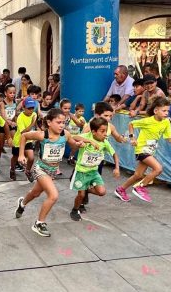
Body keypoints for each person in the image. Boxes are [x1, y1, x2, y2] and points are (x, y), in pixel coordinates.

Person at [14, 109, 88, 237]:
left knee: (35, 193)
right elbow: (24, 136)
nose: (61, 125)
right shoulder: (43, 135)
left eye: (63, 123)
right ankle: (39, 223)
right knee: (53, 195)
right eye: (58, 122)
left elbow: (74, 145)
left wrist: (79, 145)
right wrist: (21, 154)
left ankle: (22, 203)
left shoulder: (66, 134)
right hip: (41, 168)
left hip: (53, 171)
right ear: (49, 122)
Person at [115, 97, 171, 203]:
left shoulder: (166, 123)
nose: (166, 113)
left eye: (167, 111)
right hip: (141, 149)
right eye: (164, 111)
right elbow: (131, 124)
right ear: (156, 111)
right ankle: (140, 186)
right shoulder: (148, 121)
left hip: (150, 150)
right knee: (158, 169)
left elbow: (169, 138)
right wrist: (132, 138)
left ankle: (120, 189)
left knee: (138, 175)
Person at [69, 117, 120, 221]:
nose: (105, 134)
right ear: (93, 131)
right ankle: (74, 210)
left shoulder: (105, 142)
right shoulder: (87, 136)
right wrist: (89, 141)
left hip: (93, 172)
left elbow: (114, 154)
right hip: (81, 171)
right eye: (102, 131)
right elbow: (73, 137)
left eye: (106, 131)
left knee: (102, 192)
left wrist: (117, 168)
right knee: (81, 195)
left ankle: (86, 188)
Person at [10, 97, 37, 181]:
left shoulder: (34, 114)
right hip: (19, 140)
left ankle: (28, 171)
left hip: (28, 140)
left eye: (32, 108)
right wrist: (32, 123)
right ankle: (12, 169)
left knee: (31, 157)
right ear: (24, 107)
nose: (31, 110)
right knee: (15, 157)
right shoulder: (20, 118)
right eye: (29, 108)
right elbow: (23, 133)